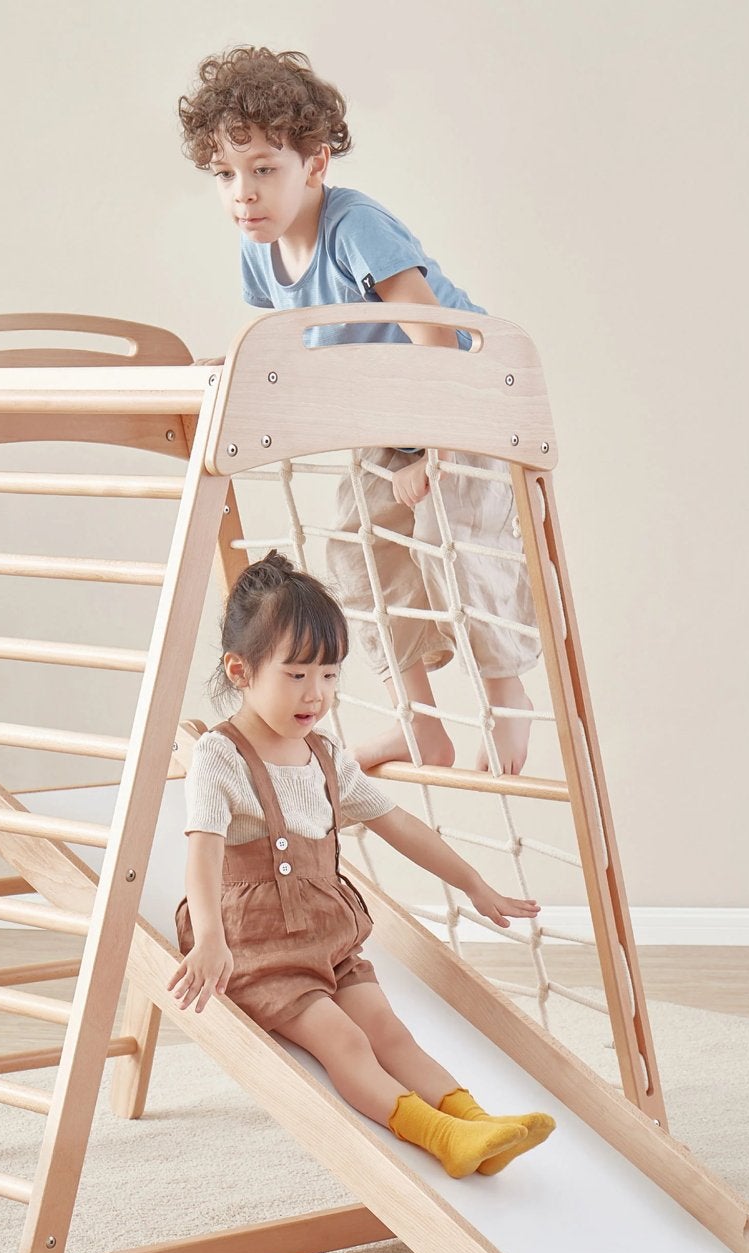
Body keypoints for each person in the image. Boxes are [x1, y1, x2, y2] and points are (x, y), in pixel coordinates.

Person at [177, 46, 541, 776]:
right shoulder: (262, 249)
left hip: (459, 398)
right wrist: (243, 366)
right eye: (226, 174)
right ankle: (419, 724)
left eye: (264, 169)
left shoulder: (354, 227)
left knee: (451, 543)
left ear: (314, 164)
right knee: (356, 555)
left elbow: (432, 333)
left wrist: (429, 452)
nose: (242, 194)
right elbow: (303, 338)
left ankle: (509, 704)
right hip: (383, 417)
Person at [172, 552, 556, 1178]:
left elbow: (398, 824)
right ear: (241, 672)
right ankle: (440, 1137)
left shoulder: (325, 756)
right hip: (254, 948)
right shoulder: (221, 755)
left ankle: (478, 1123)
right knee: (345, 1040)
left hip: (327, 939)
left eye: (328, 675)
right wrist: (211, 940)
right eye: (297, 675)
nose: (316, 694)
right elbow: (203, 850)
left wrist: (475, 885)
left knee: (389, 1031)